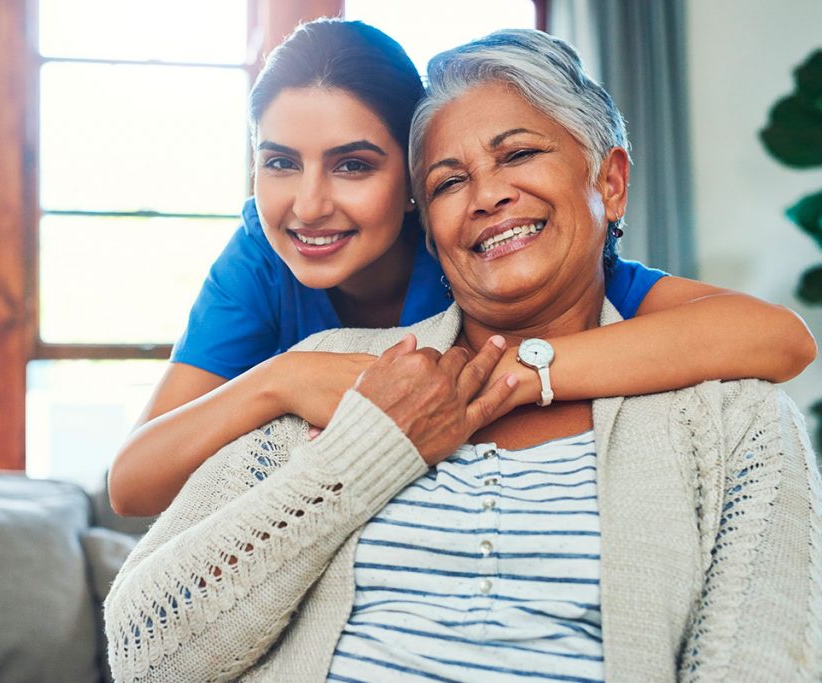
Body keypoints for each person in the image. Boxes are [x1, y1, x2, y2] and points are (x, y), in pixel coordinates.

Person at [104, 29, 822, 681]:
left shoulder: (723, 409)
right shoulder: (282, 296)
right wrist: (297, 391)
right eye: (449, 180)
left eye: (518, 154)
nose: (311, 204)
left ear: (610, 181)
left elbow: (777, 338)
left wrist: (505, 376)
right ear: (428, 211)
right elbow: (146, 617)